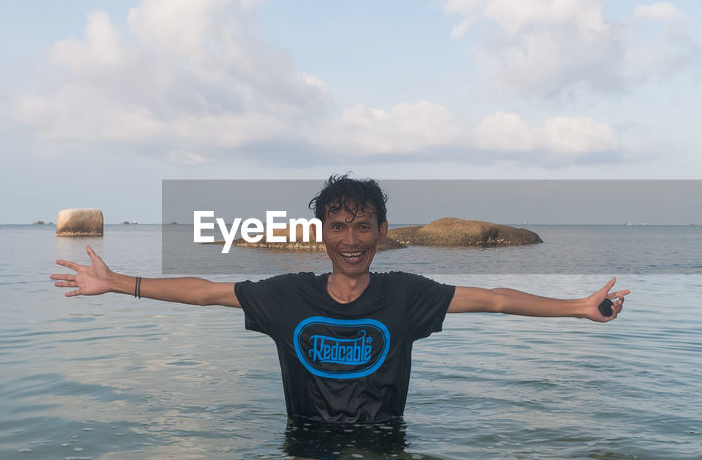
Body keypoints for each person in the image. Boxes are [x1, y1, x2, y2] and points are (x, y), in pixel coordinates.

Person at [51, 175, 628, 425]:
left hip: (385, 438)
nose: (351, 240)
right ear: (322, 232)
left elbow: (497, 299)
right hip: (310, 436)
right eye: (339, 226)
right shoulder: (287, 296)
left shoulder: (406, 295)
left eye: (363, 226)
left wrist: (579, 307)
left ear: (381, 230)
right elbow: (204, 292)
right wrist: (118, 281)